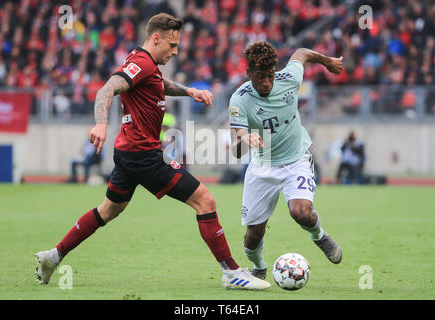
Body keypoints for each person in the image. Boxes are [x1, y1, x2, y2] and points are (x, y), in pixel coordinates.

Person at [34, 13, 270, 291]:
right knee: (205, 201)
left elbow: (158, 84)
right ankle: (231, 272)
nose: (176, 51)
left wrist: (189, 91)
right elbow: (107, 89)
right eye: (172, 45)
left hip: (127, 152)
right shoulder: (141, 62)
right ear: (156, 38)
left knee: (108, 210)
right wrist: (100, 124)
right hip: (143, 156)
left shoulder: (144, 63)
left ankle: (54, 254)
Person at [229, 41, 343, 280]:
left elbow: (301, 53)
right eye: (260, 77)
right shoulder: (239, 100)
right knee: (253, 236)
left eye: (270, 76)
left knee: (301, 212)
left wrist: (327, 62)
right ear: (249, 73)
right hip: (263, 166)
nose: (267, 83)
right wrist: (244, 137)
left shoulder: (289, 78)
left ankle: (319, 236)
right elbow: (237, 148)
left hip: (296, 160)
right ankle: (259, 267)